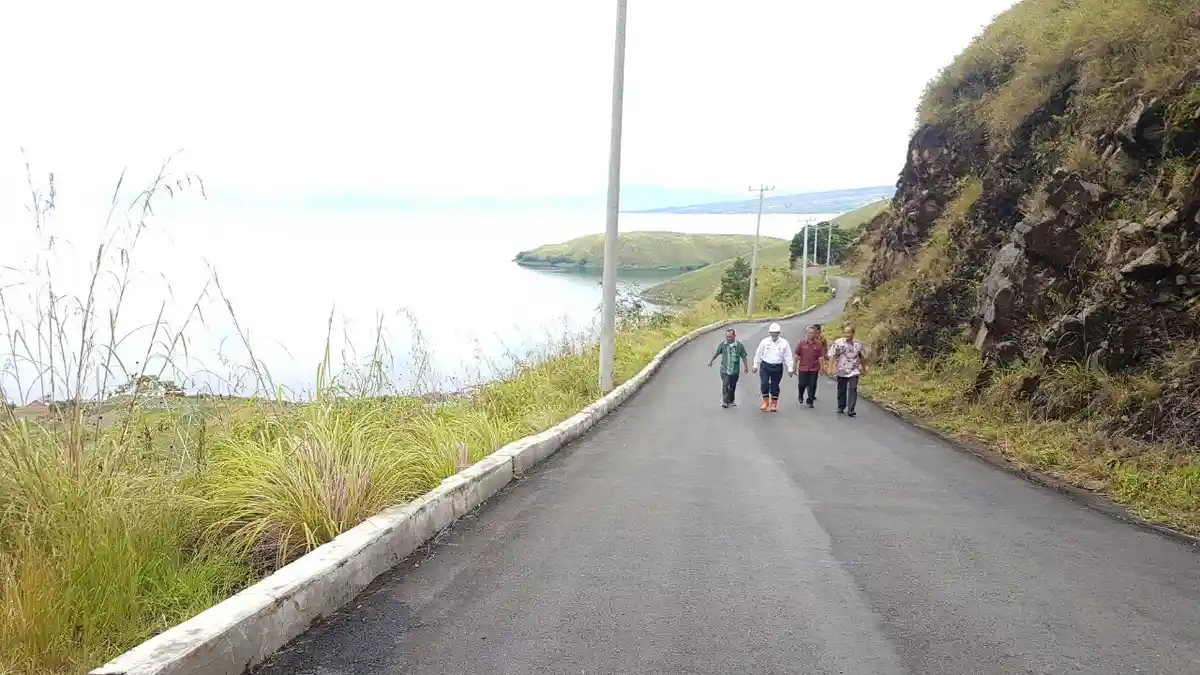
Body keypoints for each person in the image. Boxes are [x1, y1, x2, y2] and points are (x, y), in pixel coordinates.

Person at [752, 322, 794, 412]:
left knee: (775, 385)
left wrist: (790, 368)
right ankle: (765, 402)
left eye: (776, 333)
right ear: (769, 333)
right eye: (772, 333)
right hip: (765, 366)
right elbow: (758, 354)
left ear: (779, 333)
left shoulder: (784, 343)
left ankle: (774, 403)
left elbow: (788, 356)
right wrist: (755, 365)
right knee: (764, 383)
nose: (774, 334)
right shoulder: (764, 342)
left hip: (777, 366)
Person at [828, 323, 866, 417]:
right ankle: (841, 406)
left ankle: (851, 409)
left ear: (853, 333)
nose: (847, 335)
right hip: (841, 369)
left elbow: (862, 357)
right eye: (845, 332)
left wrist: (864, 368)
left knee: (853, 388)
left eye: (849, 333)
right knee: (841, 388)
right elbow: (832, 355)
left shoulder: (858, 344)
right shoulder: (839, 343)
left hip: (854, 370)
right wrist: (830, 368)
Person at [708, 328, 749, 408]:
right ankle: (725, 402)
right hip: (724, 369)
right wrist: (711, 361)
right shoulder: (723, 345)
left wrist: (746, 366)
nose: (728, 338)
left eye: (730, 337)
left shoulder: (739, 346)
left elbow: (743, 356)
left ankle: (731, 400)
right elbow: (717, 352)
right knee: (725, 385)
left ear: (734, 336)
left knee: (732, 386)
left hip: (735, 370)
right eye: (727, 337)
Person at [793, 325, 826, 408]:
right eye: (809, 333)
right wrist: (794, 366)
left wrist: (822, 368)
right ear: (806, 333)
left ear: (815, 334)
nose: (811, 335)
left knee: (812, 385)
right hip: (803, 368)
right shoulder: (801, 343)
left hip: (814, 368)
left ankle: (810, 400)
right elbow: (797, 355)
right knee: (802, 384)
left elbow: (821, 357)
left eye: (813, 333)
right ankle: (800, 395)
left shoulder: (818, 344)